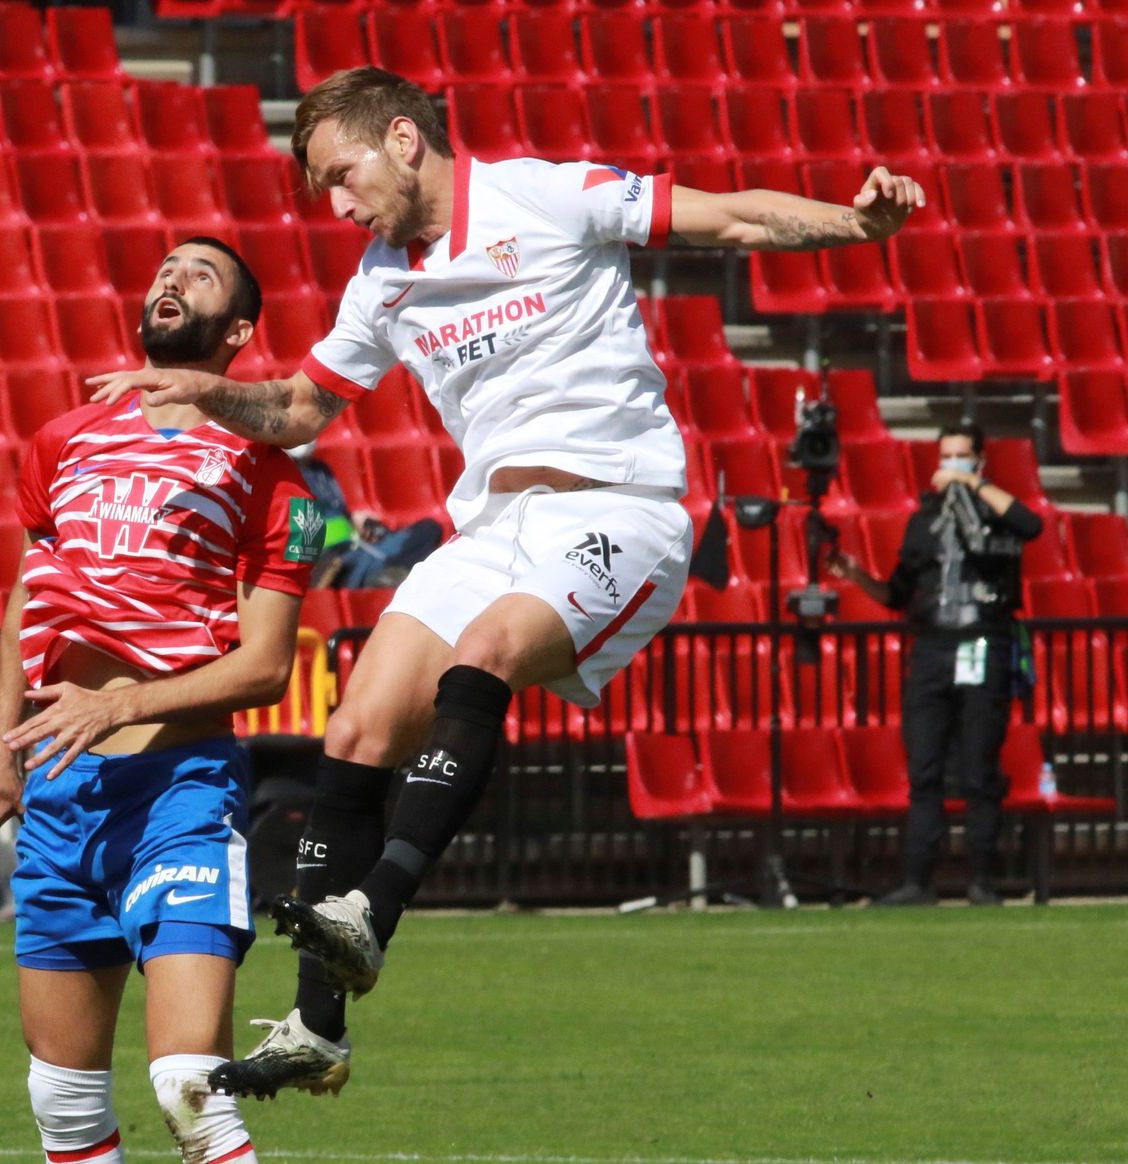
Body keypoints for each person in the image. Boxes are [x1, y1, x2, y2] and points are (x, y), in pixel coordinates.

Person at [87, 67, 925, 1099]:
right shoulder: (381, 280)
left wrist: (854, 223)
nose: (338, 207)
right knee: (357, 727)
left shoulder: (545, 194)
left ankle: (375, 909)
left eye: (341, 178)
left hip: (617, 506)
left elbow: (732, 221)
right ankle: (316, 1026)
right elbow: (302, 411)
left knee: (482, 653)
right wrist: (210, 391)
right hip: (492, 525)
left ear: (401, 139)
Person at [0, 237, 325, 1163]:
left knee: (189, 1093)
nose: (171, 279)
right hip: (59, 802)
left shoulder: (271, 477)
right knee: (65, 1108)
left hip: (180, 796)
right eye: (165, 268)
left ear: (239, 331)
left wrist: (118, 708)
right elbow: (27, 603)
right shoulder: (63, 439)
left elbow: (267, 669)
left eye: (200, 275)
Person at [829, 423, 1041, 908]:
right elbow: (898, 594)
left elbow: (1032, 525)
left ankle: (982, 881)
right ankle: (918, 880)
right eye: (945, 456)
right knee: (923, 768)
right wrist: (857, 575)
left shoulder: (996, 508)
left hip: (983, 643)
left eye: (962, 456)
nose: (950, 464)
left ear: (979, 461)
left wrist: (972, 485)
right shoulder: (923, 519)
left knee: (978, 769)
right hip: (930, 649)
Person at [287, 438, 444, 588]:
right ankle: (387, 576)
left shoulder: (321, 469)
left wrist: (356, 520)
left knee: (429, 529)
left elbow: (337, 512)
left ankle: (391, 574)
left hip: (357, 545)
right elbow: (301, 543)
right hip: (336, 559)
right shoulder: (288, 478)